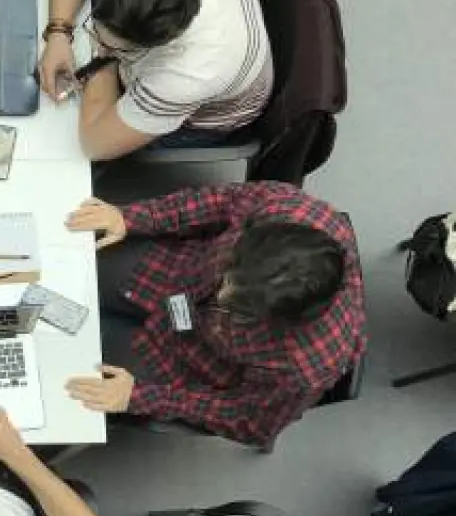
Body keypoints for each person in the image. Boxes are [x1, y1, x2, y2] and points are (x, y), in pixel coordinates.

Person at [63, 182, 366, 446]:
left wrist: (142, 397)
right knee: (67, 254)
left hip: (184, 363)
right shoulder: (291, 209)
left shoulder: (305, 367)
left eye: (240, 309)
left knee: (65, 372)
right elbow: (221, 200)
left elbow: (247, 419)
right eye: (230, 275)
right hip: (173, 272)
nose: (220, 295)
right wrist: (134, 217)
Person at [38, 0, 273, 160]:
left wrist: (101, 65)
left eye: (113, 47)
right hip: (233, 30)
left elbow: (94, 144)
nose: (99, 46)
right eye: (95, 30)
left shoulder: (186, 76)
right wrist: (59, 33)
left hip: (211, 116)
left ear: (158, 46)